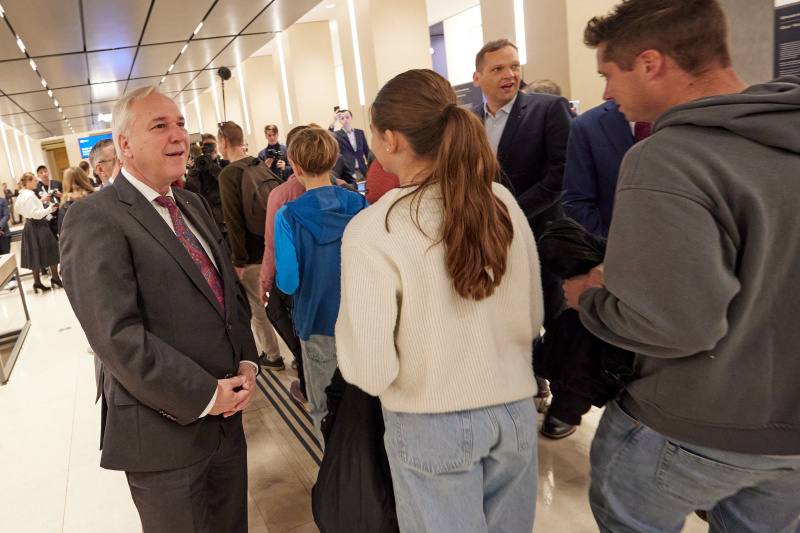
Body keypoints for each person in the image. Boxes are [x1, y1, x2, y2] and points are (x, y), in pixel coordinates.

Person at [561, 1, 800, 531]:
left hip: (691, 423)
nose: (604, 93)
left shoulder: (666, 158)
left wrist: (590, 298)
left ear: (650, 63)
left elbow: (673, 324)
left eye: (608, 74)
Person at [336, 69, 543, 532]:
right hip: (513, 411)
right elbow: (531, 320)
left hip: (431, 419)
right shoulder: (501, 202)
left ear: (390, 139)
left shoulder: (375, 229)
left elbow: (370, 369)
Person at [60, 86, 258, 533]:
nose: (179, 135)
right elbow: (117, 338)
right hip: (164, 437)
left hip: (227, 424)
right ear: (125, 145)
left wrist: (246, 359)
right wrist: (206, 396)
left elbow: (226, 289)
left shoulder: (191, 203)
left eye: (181, 123)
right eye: (160, 125)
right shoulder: (95, 217)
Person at [472, 38, 574, 436]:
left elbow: (561, 174)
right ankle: (533, 383)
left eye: (514, 66)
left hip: (541, 234)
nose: (510, 75)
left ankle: (566, 402)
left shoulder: (548, 110)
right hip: (493, 240)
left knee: (555, 315)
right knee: (514, 316)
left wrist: (510, 210)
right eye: (498, 68)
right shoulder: (469, 121)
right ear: (478, 76)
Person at [274, 127, 368, 444]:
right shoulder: (360, 204)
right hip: (360, 319)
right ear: (333, 160)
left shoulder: (287, 216)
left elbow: (287, 283)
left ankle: (334, 477)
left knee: (323, 406)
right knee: (367, 402)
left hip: (316, 323)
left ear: (295, 167)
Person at [217, 120, 285, 371]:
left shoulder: (228, 174)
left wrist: (238, 262)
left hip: (253, 255)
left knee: (258, 308)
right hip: (274, 244)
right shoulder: (259, 164)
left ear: (223, 143)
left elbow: (233, 221)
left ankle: (273, 355)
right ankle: (297, 353)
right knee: (280, 303)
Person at [562, 100, 650, 238]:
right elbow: (577, 201)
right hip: (615, 249)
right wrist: (610, 248)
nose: (606, 93)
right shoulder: (588, 124)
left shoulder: (688, 116)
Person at [14, 172, 62, 293]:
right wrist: (49, 210)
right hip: (38, 225)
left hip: (29, 225)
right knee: (52, 248)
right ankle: (55, 278)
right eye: (35, 180)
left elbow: (17, 209)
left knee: (34, 252)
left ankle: (37, 282)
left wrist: (27, 213)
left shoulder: (21, 195)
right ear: (28, 182)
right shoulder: (29, 195)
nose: (37, 182)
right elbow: (35, 214)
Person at [328, 109, 370, 178]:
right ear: (339, 120)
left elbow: (367, 151)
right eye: (342, 118)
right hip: (348, 170)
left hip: (362, 169)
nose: (345, 120)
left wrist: (370, 168)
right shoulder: (337, 135)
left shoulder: (360, 133)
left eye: (347, 117)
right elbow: (328, 137)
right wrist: (333, 122)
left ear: (351, 118)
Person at [58, 166, 95, 234]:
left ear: (66, 182)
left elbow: (62, 233)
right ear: (84, 177)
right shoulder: (95, 195)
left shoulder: (65, 204)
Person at [35, 165, 62, 238]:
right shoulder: (37, 187)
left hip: (59, 213)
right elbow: (35, 203)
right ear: (38, 175)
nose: (44, 174)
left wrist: (60, 195)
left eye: (45, 171)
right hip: (46, 216)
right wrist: (43, 199)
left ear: (48, 172)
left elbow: (66, 196)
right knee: (51, 237)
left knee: (63, 234)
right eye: (41, 172)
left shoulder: (57, 183)